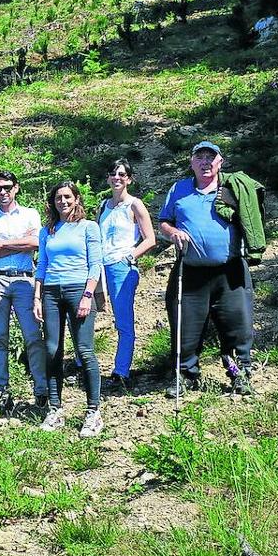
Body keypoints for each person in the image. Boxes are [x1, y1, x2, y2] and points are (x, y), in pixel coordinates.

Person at [161, 141, 257, 397]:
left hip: (231, 270)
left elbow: (254, 214)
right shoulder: (179, 189)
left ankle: (241, 374)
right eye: (199, 157)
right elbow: (164, 222)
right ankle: (185, 376)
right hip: (191, 272)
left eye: (210, 157)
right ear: (191, 163)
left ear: (220, 162)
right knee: (185, 327)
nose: (205, 162)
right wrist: (173, 233)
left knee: (238, 326)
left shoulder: (234, 188)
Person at [35, 181, 104, 438]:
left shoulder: (88, 227)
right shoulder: (48, 231)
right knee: (52, 349)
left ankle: (93, 411)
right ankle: (55, 409)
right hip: (51, 291)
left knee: (84, 350)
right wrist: (36, 296)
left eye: (67, 197)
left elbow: (95, 264)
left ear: (76, 199)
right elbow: (42, 264)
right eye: (57, 198)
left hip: (78, 291)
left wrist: (88, 295)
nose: (62, 202)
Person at [0, 171, 47, 414]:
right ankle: (1, 390)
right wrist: (20, 243)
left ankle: (41, 390)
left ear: (16, 188)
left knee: (33, 335)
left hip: (25, 280)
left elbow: (36, 243)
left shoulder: (30, 214)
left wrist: (3, 244)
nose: (2, 192)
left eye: (7, 187)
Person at [98, 159, 156, 392]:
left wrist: (129, 257)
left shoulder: (135, 205)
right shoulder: (103, 206)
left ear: (129, 179)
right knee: (89, 314)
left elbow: (150, 239)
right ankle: (83, 366)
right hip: (100, 267)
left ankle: (121, 371)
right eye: (113, 174)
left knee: (123, 321)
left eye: (122, 174)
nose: (117, 178)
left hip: (121, 268)